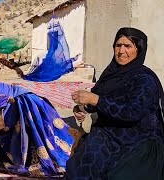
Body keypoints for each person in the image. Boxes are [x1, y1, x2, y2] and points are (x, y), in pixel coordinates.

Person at [67, 27, 164, 179]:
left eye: (128, 46)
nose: (121, 51)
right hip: (108, 134)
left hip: (138, 140)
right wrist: (82, 108)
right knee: (84, 162)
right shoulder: (111, 74)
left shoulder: (145, 79)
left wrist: (95, 99)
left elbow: (131, 112)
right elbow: (96, 101)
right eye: (118, 45)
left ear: (138, 50)